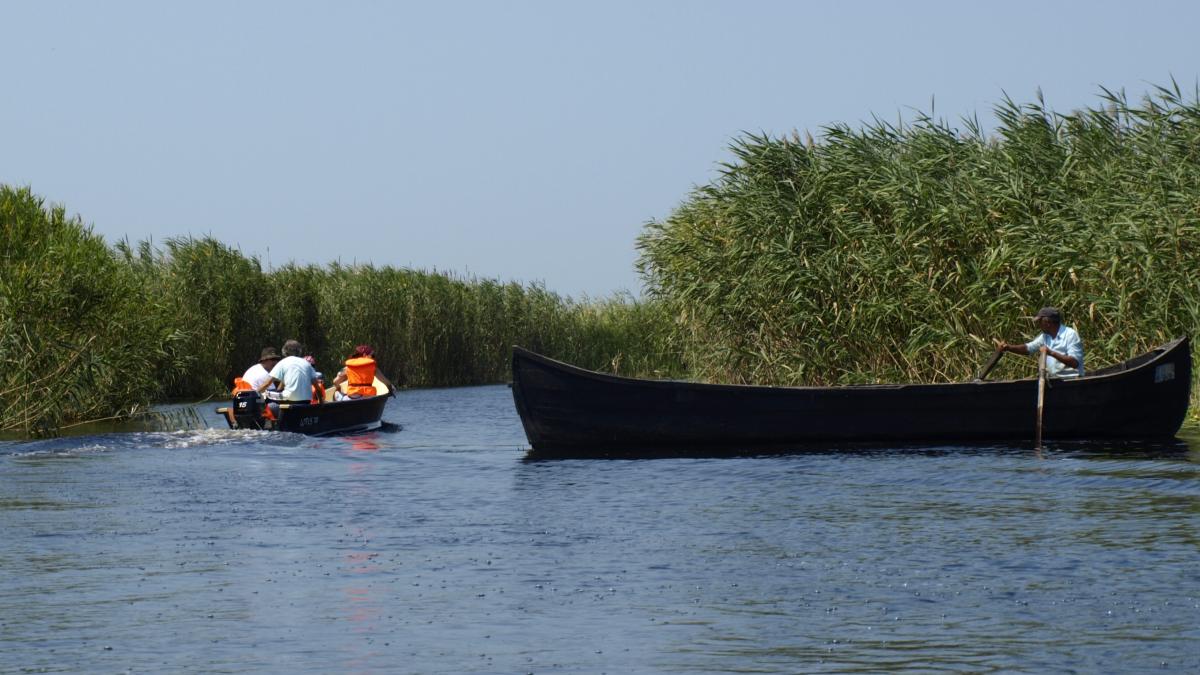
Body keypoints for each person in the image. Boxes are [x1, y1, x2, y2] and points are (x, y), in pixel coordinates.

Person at [998, 306, 1085, 377]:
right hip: (1055, 382)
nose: (1039, 325)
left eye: (1040, 322)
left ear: (1047, 322)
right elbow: (1028, 348)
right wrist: (1009, 347)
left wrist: (1051, 353)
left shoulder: (1070, 335)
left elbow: (1074, 362)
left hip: (1071, 382)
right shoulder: (1045, 336)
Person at [257, 340, 322, 412]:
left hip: (289, 399)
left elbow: (266, 384)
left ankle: (264, 417)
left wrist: (254, 393)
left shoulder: (283, 362)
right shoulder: (307, 364)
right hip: (306, 401)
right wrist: (321, 403)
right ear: (299, 351)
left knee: (264, 394)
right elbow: (318, 388)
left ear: (285, 351)